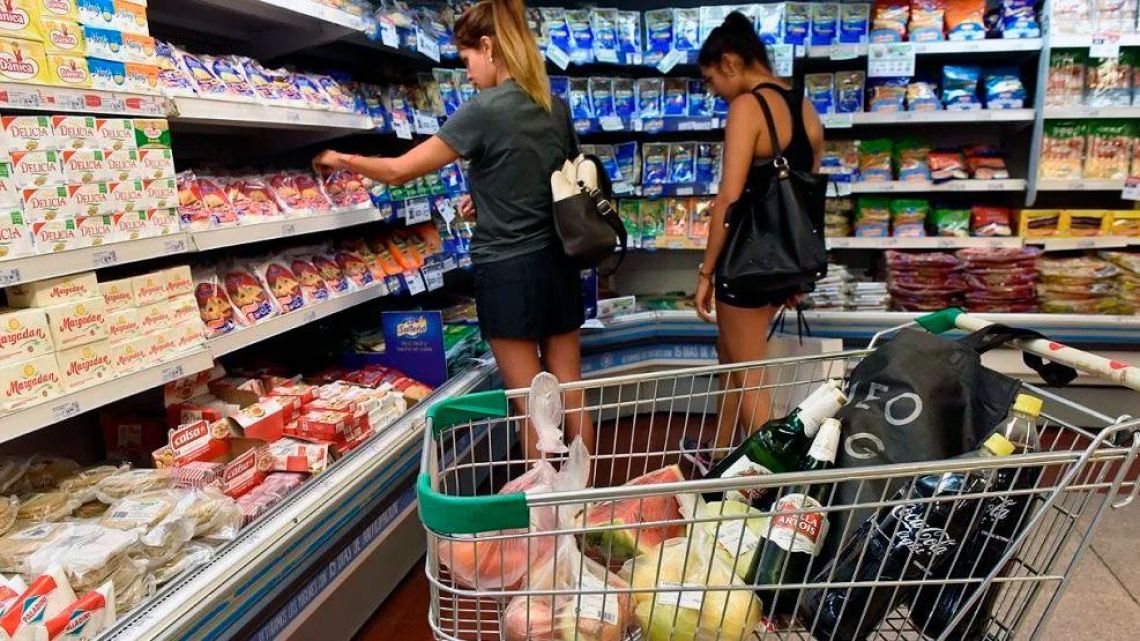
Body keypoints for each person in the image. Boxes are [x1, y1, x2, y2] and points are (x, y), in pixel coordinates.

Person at [312, 0, 594, 458]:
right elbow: (551, 181)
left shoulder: (484, 109)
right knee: (571, 393)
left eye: (466, 60)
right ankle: (586, 494)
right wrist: (486, 198)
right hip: (559, 267)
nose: (467, 73)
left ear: (488, 46)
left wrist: (341, 158)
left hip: (507, 274)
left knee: (533, 410)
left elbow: (400, 171)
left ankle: (545, 504)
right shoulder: (553, 106)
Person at [692, 12, 825, 456]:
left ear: (730, 62)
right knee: (731, 354)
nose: (714, 90)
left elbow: (728, 200)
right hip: (784, 261)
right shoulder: (806, 109)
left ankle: (773, 476)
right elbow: (806, 196)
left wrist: (706, 273)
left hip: (746, 262)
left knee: (750, 376)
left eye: (712, 79)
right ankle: (721, 451)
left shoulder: (747, 108)